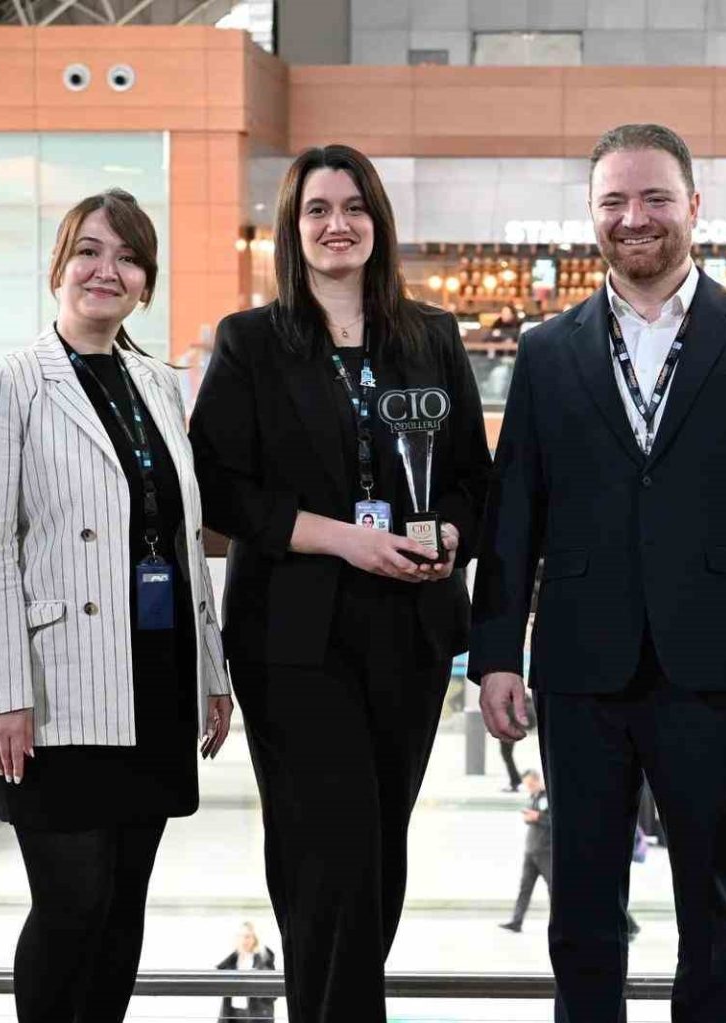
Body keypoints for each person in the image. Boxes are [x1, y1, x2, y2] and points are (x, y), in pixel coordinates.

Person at [471, 122, 726, 1022]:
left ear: (694, 206)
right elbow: (514, 513)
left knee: (713, 905)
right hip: (580, 663)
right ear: (591, 214)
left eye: (655, 197)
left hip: (716, 661)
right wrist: (497, 653)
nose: (635, 217)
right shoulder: (546, 349)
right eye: (615, 201)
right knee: (583, 909)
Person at [189, 144, 490, 1023]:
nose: (337, 224)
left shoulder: (431, 336)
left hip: (409, 629)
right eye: (317, 209)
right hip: (293, 637)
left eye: (354, 207)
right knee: (331, 846)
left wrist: (449, 536)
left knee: (377, 851)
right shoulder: (251, 341)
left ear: (378, 222)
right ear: (292, 228)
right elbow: (219, 487)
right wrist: (343, 541)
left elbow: (474, 478)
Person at [0, 188, 234, 1023]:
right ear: (59, 267)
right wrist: (2, 692)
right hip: (56, 689)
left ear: (146, 282)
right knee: (72, 905)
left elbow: (183, 542)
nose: (106, 270)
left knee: (121, 909)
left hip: (153, 677)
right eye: (89, 250)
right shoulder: (9, 382)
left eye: (128, 257)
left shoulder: (161, 382)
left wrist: (212, 673)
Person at [499, 769, 552, 934]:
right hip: (531, 851)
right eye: (527, 785)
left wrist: (537, 817)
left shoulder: (548, 797)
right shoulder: (533, 797)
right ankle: (516, 921)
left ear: (537, 780)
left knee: (553, 887)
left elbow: (553, 821)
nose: (529, 788)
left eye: (530, 784)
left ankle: (559, 922)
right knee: (525, 888)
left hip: (545, 852)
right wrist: (530, 818)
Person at [216, 922, 277, 1022]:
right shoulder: (232, 960)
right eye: (241, 936)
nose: (244, 940)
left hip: (256, 1015)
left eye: (247, 937)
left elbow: (273, 994)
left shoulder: (263, 960)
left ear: (254, 939)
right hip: (232, 1014)